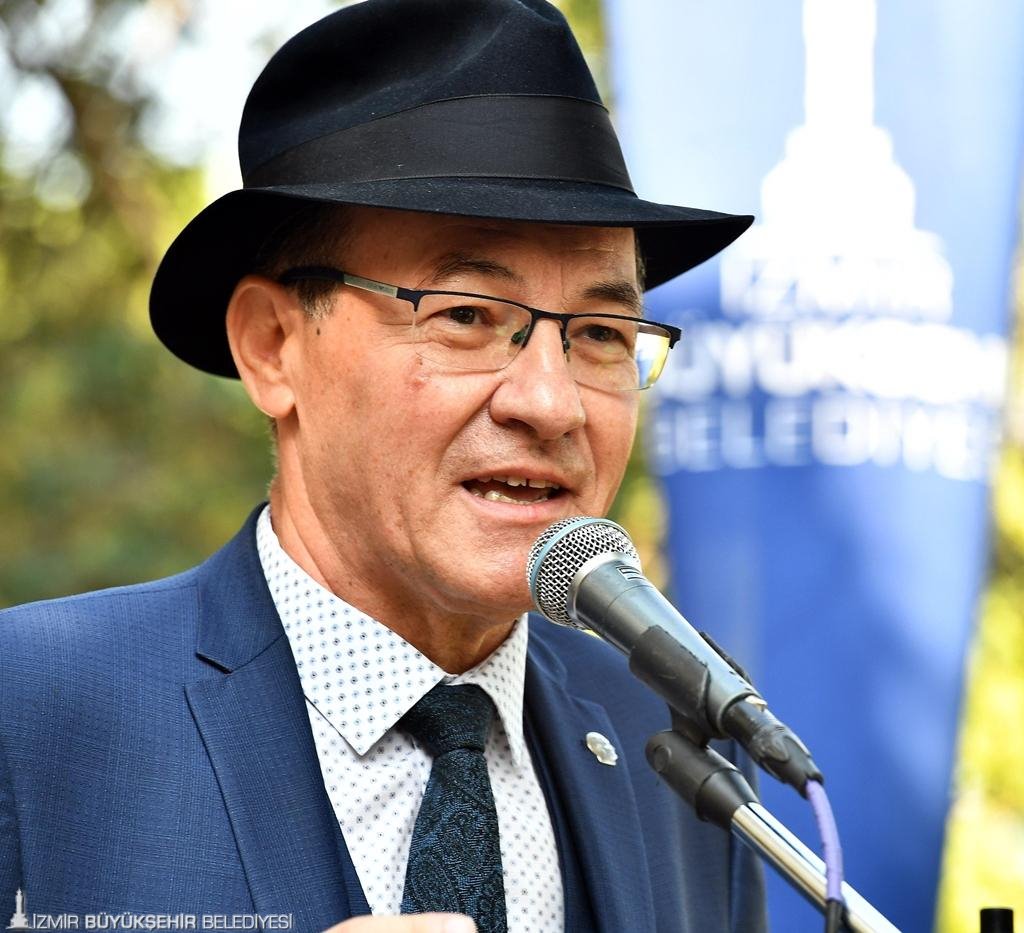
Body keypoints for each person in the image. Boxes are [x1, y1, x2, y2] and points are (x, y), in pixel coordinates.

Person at [0, 1, 766, 931]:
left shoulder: (676, 756)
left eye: (603, 333)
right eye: (467, 316)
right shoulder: (34, 710)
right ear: (273, 345)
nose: (552, 402)